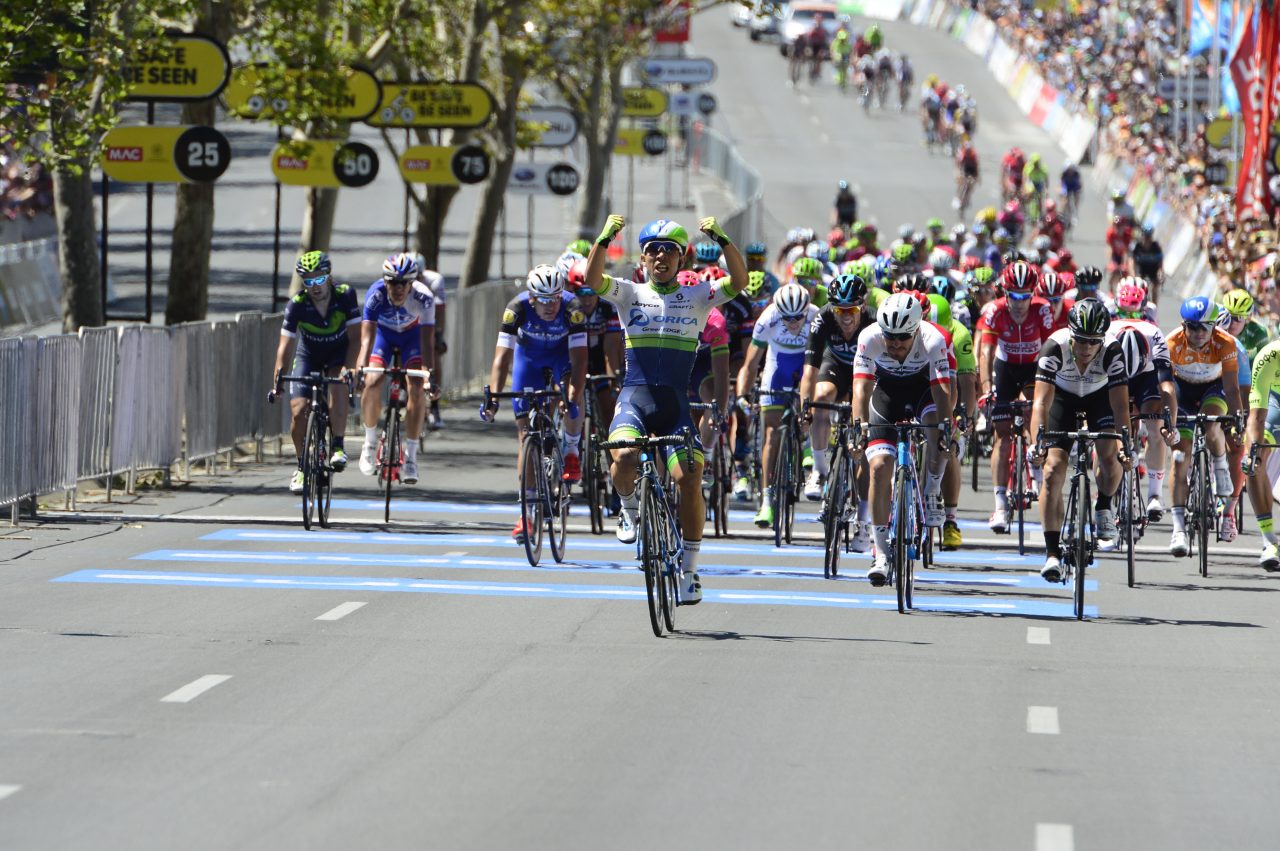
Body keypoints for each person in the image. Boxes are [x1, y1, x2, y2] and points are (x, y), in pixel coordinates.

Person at [584, 214, 749, 606]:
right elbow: (592, 281)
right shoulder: (628, 293)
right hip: (635, 399)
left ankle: (690, 571)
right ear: (643, 259)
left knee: (690, 476)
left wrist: (723, 238)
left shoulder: (697, 296)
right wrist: (605, 236)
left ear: (681, 259)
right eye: (653, 250)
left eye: (669, 251)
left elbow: (739, 283)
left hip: (674, 404)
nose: (660, 256)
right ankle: (627, 510)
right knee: (623, 454)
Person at [851, 292, 954, 585]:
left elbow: (942, 389)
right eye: (890, 337)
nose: (895, 344)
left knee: (938, 430)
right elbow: (861, 389)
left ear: (916, 330)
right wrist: (859, 426)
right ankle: (881, 554)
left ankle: (932, 489)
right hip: (885, 395)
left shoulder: (933, 340)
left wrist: (946, 429)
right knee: (880, 466)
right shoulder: (869, 337)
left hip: (923, 391)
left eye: (902, 338)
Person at [480, 265, 587, 541]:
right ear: (532, 298)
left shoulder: (572, 307)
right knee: (525, 435)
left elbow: (580, 359)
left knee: (572, 397)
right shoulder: (516, 309)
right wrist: (492, 398)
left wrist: (572, 397)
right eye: (544, 299)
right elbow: (502, 358)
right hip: (528, 362)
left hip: (561, 358)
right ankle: (525, 515)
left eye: (555, 298)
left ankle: (572, 449)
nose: (551, 305)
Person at [1029, 299, 1131, 579]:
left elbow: (1121, 407)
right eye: (1081, 341)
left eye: (1093, 342)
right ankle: (1051, 554)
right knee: (1052, 470)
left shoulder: (1112, 351)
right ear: (1071, 334)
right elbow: (1040, 403)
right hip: (1062, 397)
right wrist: (1036, 444)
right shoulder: (1054, 347)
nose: (1086, 348)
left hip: (1100, 398)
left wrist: (1126, 447)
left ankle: (1103, 506)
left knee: (1110, 457)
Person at [271, 251, 361, 492]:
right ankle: (302, 467)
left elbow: (355, 338)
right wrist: (277, 382)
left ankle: (338, 446)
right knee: (298, 411)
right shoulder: (297, 305)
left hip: (338, 353)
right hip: (308, 355)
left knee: (337, 383)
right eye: (308, 281)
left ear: (328, 277)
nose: (315, 286)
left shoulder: (345, 296)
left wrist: (350, 368)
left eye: (319, 279)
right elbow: (285, 347)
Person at [976, 261, 1054, 532]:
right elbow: (985, 353)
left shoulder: (1042, 310)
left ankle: (1036, 475)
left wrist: (1048, 386)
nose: (1020, 302)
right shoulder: (994, 311)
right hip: (1005, 369)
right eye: (1014, 296)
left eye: (1025, 296)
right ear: (1004, 293)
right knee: (1002, 434)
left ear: (1033, 293)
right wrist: (987, 388)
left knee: (1035, 412)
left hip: (1034, 366)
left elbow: (1049, 349)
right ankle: (999, 506)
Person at [737, 283, 820, 527]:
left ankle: (807, 444)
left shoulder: (817, 316)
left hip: (807, 365)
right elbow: (750, 364)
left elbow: (826, 360)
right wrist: (743, 395)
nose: (794, 323)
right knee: (770, 435)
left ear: (806, 311)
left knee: (812, 406)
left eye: (798, 317)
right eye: (788, 318)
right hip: (778, 367)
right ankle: (766, 501)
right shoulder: (768, 318)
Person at [801, 273, 875, 547]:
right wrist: (805, 407)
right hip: (835, 365)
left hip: (865, 370)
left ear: (862, 306)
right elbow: (809, 370)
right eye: (839, 309)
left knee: (865, 445)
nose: (845, 316)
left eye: (851, 310)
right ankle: (819, 470)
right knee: (821, 397)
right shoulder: (822, 318)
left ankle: (864, 523)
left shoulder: (874, 323)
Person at [1165, 297, 1242, 556]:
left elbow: (1231, 388)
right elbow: (1165, 386)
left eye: (1204, 328)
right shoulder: (1172, 342)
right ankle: (1178, 530)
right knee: (1180, 458)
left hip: (1213, 387)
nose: (1198, 333)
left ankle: (1220, 466)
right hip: (1181, 392)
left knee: (1212, 426)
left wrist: (1237, 418)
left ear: (1214, 327)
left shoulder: (1225, 342)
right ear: (1184, 326)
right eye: (1193, 327)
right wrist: (1168, 421)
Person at [356, 253, 439, 485]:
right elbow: (366, 340)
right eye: (393, 282)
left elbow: (427, 342)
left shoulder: (424, 298)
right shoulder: (375, 296)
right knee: (372, 381)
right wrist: (360, 370)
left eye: (404, 283)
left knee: (416, 388)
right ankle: (370, 442)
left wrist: (428, 377)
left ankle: (411, 458)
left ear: (412, 283)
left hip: (412, 339)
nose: (398, 288)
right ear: (385, 282)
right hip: (384, 336)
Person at [1112, 278, 1179, 520]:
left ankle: (1154, 495)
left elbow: (1167, 386)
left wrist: (1170, 426)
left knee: (1155, 426)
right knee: (1111, 428)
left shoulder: (1154, 333)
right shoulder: (1107, 333)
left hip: (1147, 374)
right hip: (1115, 373)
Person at [1242, 339, 1280, 569]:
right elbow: (1256, 416)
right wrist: (1252, 452)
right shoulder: (1269, 355)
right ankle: (1269, 541)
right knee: (1255, 457)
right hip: (1276, 402)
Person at [411, 252, 448, 430]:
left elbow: (440, 311)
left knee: (433, 353)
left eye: (418, 276)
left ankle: (435, 407)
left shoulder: (434, 281)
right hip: (408, 322)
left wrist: (438, 334)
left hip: (428, 320)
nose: (415, 280)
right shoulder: (401, 283)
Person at [1129, 225, 1164, 299]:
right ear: (1142, 236)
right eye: (1145, 236)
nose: (1147, 239)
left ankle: (1154, 307)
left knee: (1154, 288)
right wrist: (1133, 275)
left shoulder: (1156, 247)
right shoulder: (1136, 246)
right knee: (1139, 285)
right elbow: (1132, 261)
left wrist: (1160, 272)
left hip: (1153, 268)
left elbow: (1160, 262)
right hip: (1142, 268)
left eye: (1149, 236)